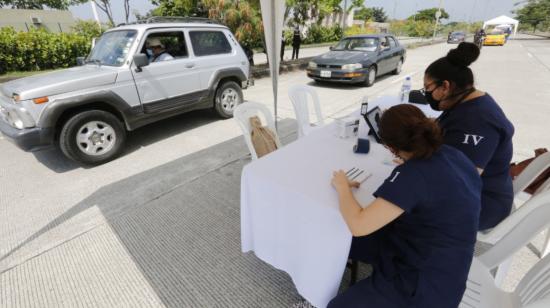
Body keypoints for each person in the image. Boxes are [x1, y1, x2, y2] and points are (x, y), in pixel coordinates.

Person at [329, 104, 482, 308]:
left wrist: (342, 186)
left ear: (391, 147)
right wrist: (410, 168)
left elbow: (358, 225)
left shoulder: (413, 176)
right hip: (449, 259)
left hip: (424, 285)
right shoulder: (453, 154)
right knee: (346, 241)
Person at [423, 42, 515, 230]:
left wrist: (416, 165)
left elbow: (461, 180)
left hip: (481, 203)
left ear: (445, 86)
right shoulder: (469, 101)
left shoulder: (477, 121)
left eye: (428, 88)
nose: (427, 94)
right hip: (478, 190)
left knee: (398, 208)